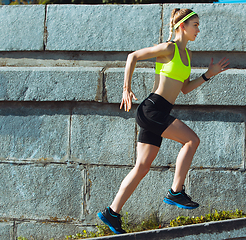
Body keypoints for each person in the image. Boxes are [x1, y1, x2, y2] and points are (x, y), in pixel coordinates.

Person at [98, 8, 229, 234]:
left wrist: (208, 74)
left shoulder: (186, 56)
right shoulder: (169, 48)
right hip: (152, 109)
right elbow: (133, 57)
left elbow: (185, 89)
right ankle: (175, 191)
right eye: (195, 25)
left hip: (158, 111)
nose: (199, 29)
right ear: (182, 27)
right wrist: (126, 89)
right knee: (191, 141)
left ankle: (112, 212)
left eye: (198, 25)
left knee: (142, 166)